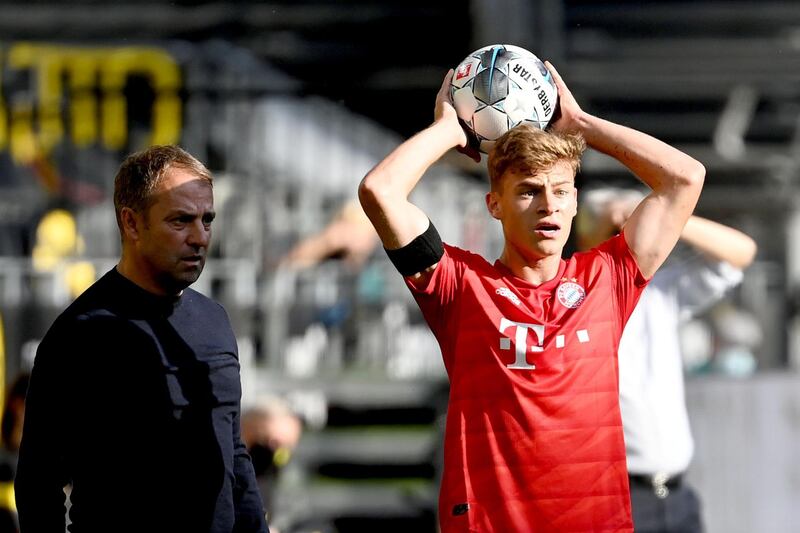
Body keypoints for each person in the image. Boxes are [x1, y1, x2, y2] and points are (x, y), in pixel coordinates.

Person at [358, 61, 705, 532]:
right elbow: (380, 191)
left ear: (576, 201)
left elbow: (685, 178)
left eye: (561, 190)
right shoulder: (458, 285)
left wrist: (582, 126)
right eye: (527, 191)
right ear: (494, 204)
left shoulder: (609, 277)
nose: (548, 205)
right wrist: (446, 130)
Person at [15, 146, 269, 532]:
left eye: (207, 220)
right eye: (181, 221)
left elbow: (234, 455)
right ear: (132, 224)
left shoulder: (214, 320)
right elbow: (38, 482)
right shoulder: (80, 334)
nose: (200, 237)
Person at [577, 187, 757, 532]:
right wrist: (614, 221)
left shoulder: (660, 291)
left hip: (676, 493)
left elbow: (740, 253)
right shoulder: (573, 299)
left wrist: (664, 217)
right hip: (613, 495)